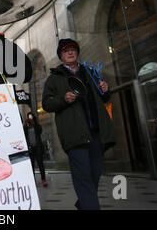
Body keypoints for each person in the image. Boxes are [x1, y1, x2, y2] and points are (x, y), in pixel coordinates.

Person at [42, 38, 115, 210]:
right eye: (66, 50)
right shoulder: (54, 79)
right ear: (61, 55)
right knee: (83, 177)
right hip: (74, 135)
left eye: (73, 49)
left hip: (96, 132)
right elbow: (46, 104)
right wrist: (63, 99)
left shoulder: (90, 72)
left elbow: (104, 98)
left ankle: (84, 203)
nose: (70, 52)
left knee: (95, 173)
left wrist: (105, 90)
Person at [23, 112, 48, 187]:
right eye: (28, 116)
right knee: (31, 166)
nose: (30, 118)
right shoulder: (26, 126)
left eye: (31, 116)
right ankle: (33, 181)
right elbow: (24, 134)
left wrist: (33, 123)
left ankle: (43, 180)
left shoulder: (36, 125)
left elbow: (39, 131)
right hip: (30, 148)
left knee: (40, 164)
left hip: (38, 148)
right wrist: (26, 124)